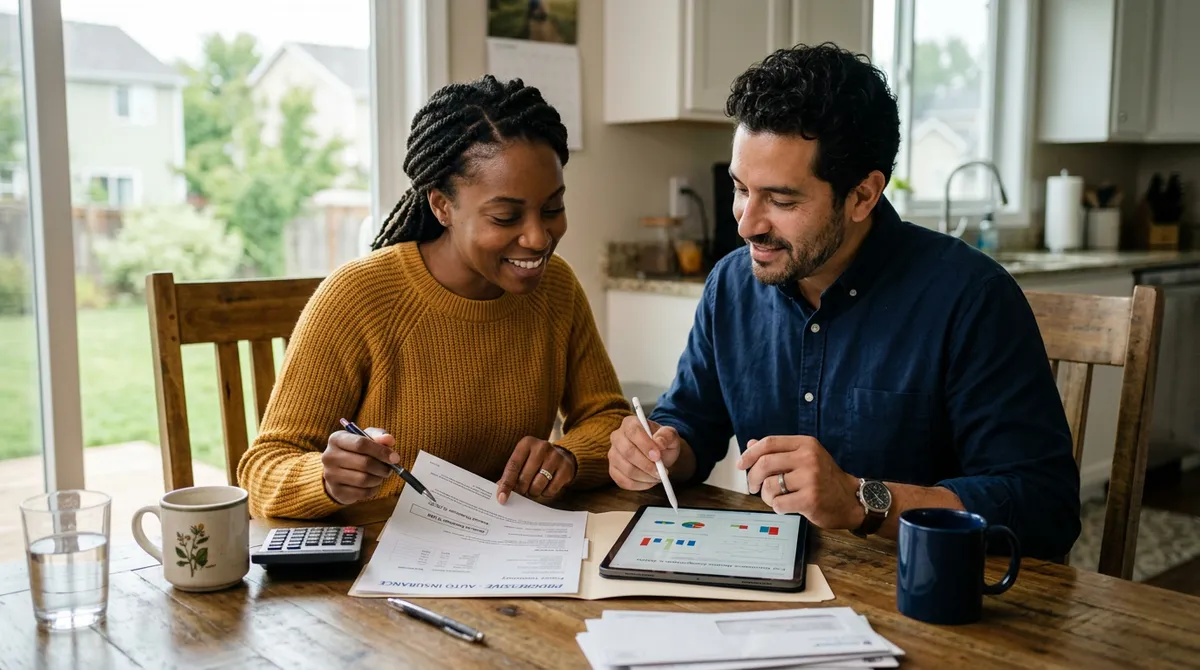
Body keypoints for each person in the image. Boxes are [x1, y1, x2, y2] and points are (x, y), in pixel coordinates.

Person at [606, 43, 1081, 559]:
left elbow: (1044, 506)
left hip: (926, 599)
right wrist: (662, 450)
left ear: (863, 196)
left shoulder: (971, 298)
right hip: (769, 587)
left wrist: (862, 502)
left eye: (782, 200)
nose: (746, 223)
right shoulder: (731, 285)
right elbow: (692, 422)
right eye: (741, 189)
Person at [239, 74, 628, 519]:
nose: (539, 237)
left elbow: (608, 418)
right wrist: (326, 479)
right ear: (442, 205)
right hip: (376, 567)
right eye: (505, 216)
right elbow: (264, 470)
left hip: (510, 556)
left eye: (553, 209)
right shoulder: (357, 298)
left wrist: (570, 456)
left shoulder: (556, 288)